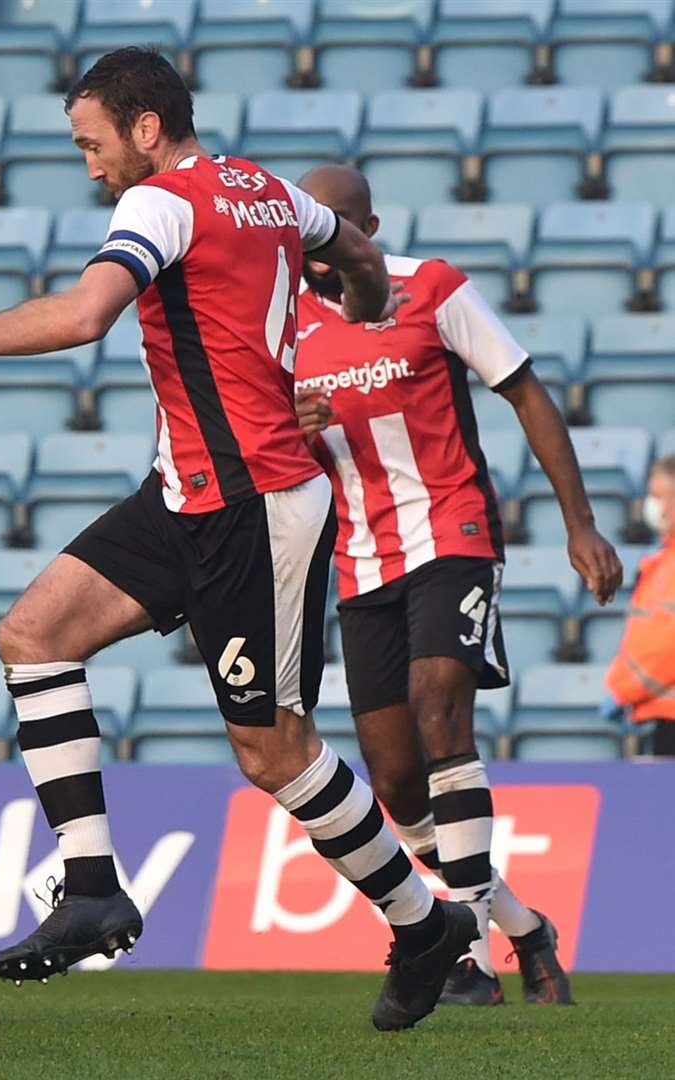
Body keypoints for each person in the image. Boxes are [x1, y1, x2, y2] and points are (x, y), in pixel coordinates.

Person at [0, 47, 477, 1032]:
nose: (88, 167)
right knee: (31, 635)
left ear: (144, 129)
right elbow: (351, 254)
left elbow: (86, 313)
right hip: (181, 492)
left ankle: (421, 923)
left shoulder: (159, 203)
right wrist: (353, 318)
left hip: (254, 506)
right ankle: (91, 884)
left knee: (273, 755)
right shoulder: (262, 190)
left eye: (92, 145)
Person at [291, 165, 621, 1007]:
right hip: (360, 563)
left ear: (368, 223)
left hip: (452, 531)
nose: (321, 245)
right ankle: (521, 925)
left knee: (440, 705)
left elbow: (525, 393)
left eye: (336, 225)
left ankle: (462, 952)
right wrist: (291, 430)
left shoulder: (431, 288)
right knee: (396, 780)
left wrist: (578, 522)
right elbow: (268, 455)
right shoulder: (284, 327)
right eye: (308, 227)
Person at [606, 455, 675, 755]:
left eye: (658, 496)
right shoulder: (661, 561)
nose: (652, 505)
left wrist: (622, 688)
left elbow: (666, 647)